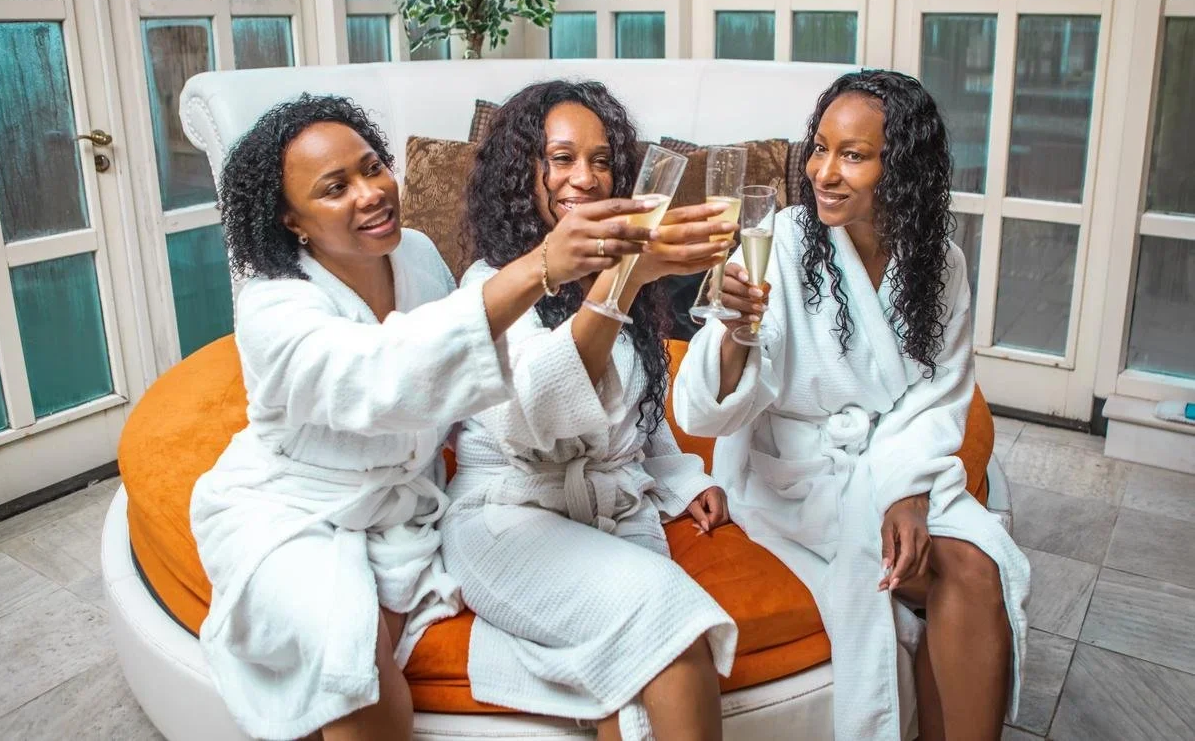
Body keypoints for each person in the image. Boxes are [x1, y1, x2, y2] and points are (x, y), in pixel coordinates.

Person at [190, 94, 664, 741]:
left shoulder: (413, 254)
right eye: (336, 187)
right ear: (289, 218)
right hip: (297, 508)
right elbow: (388, 373)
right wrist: (543, 265)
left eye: (372, 166)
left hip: (403, 505)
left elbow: (466, 369)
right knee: (353, 672)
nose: (371, 192)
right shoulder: (273, 310)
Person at [672, 70, 1030, 741]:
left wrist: (905, 491)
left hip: (893, 465)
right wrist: (733, 331)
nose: (823, 172)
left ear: (902, 170)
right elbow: (711, 409)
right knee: (952, 574)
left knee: (979, 569)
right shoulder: (778, 241)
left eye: (853, 155)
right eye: (819, 148)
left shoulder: (940, 262)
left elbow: (942, 392)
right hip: (798, 480)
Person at [442, 80, 740, 741]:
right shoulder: (488, 287)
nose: (586, 177)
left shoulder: (614, 268)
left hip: (610, 511)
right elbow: (534, 420)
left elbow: (636, 411)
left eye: (601, 160)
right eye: (563, 158)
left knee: (631, 693)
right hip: (508, 519)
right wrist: (623, 279)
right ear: (526, 171)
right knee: (673, 632)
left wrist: (683, 477)